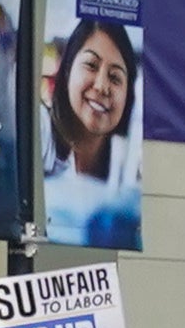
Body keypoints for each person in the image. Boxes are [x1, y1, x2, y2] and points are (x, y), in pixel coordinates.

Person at [34, 14, 143, 242]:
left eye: (115, 78)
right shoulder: (40, 130)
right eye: (91, 66)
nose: (102, 86)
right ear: (67, 72)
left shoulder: (132, 168)